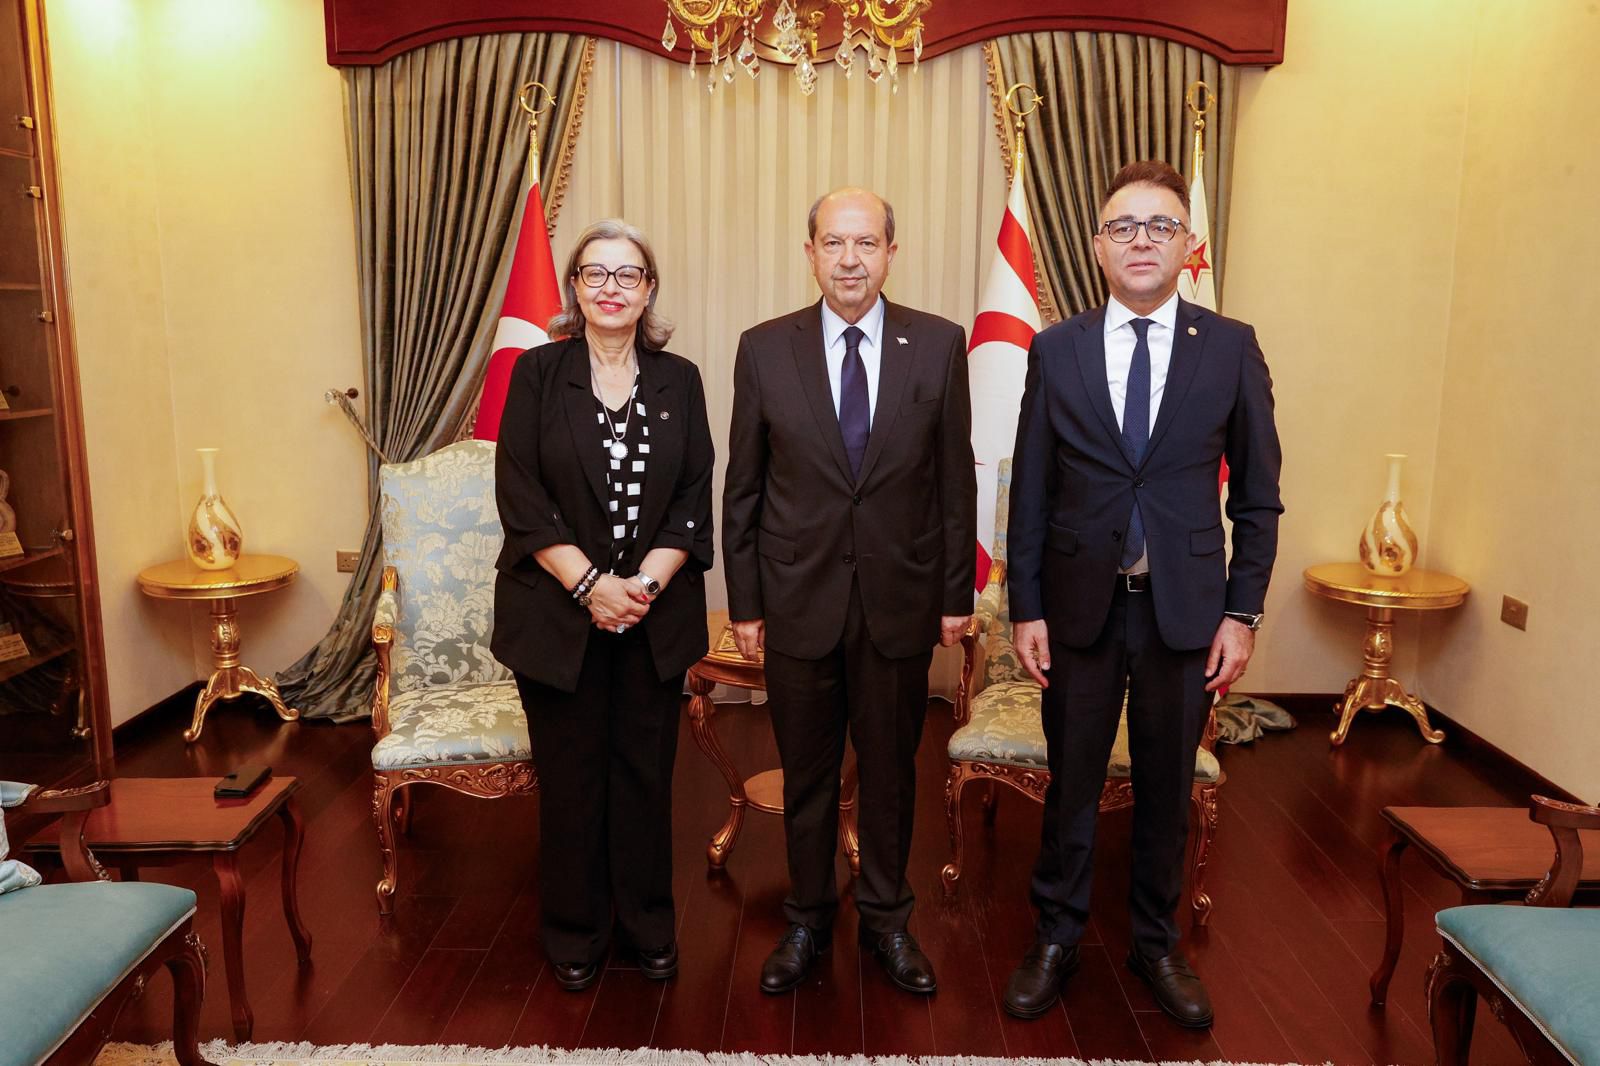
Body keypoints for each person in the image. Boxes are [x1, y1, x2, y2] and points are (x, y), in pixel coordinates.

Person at [1001, 161, 1283, 1027]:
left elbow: (1258, 497)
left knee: (1167, 786)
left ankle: (1156, 944)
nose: (1141, 241)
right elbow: (1031, 490)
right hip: (1079, 609)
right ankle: (1056, 937)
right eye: (1123, 226)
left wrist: (1242, 614)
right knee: (1072, 783)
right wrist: (1026, 608)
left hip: (1185, 614)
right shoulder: (1057, 348)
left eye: (1160, 226)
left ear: (1186, 243)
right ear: (1097, 245)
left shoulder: (1230, 346)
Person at [722, 188, 976, 996]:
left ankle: (887, 921)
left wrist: (957, 594)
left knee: (893, 774)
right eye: (834, 243)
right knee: (808, 775)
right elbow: (743, 490)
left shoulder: (938, 345)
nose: (850, 259)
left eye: (866, 243)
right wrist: (746, 603)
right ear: (810, 253)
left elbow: (954, 482)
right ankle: (805, 919)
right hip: (797, 601)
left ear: (892, 253)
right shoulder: (765, 349)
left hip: (900, 602)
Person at [492, 219, 714, 991]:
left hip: (653, 620)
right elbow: (521, 498)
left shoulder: (680, 379)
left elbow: (693, 500)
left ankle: (648, 924)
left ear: (648, 290)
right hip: (557, 619)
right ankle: (575, 929)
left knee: (646, 780)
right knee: (573, 780)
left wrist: (641, 589)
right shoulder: (537, 373)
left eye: (628, 274)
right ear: (575, 288)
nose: (611, 287)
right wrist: (591, 587)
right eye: (596, 273)